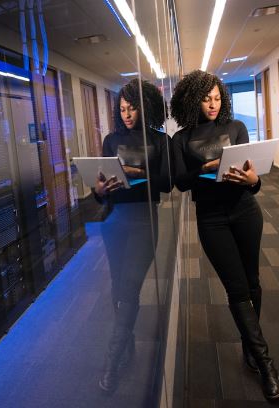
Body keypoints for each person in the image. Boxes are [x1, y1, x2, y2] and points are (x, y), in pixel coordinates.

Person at [169, 70, 279, 400]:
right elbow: (180, 181)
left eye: (218, 98)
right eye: (206, 99)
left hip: (245, 211)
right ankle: (265, 364)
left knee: (252, 282)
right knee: (236, 288)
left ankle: (250, 346)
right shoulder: (181, 138)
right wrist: (205, 168)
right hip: (211, 218)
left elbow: (254, 178)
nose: (213, 104)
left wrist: (253, 181)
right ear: (192, 100)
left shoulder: (236, 128)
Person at [93, 78, 171, 393]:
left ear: (145, 105)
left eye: (132, 107)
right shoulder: (111, 140)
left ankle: (112, 361)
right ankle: (128, 345)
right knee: (118, 289)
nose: (127, 114)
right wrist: (99, 191)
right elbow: (103, 191)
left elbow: (166, 185)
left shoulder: (159, 140)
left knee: (129, 288)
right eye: (122, 109)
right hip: (115, 221)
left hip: (143, 222)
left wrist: (137, 174)